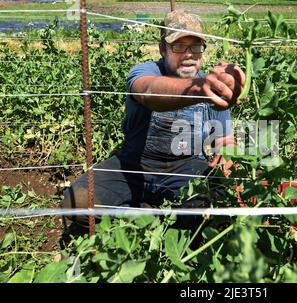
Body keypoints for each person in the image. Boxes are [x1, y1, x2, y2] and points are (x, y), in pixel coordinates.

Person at [61, 10, 245, 233]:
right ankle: (154, 220)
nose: (188, 54)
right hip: (133, 165)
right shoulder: (147, 71)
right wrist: (200, 88)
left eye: (195, 46)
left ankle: (145, 220)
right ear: (162, 48)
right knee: (77, 202)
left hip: (186, 169)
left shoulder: (212, 87)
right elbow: (148, 91)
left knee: (209, 205)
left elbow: (224, 139)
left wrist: (228, 153)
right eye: (178, 46)